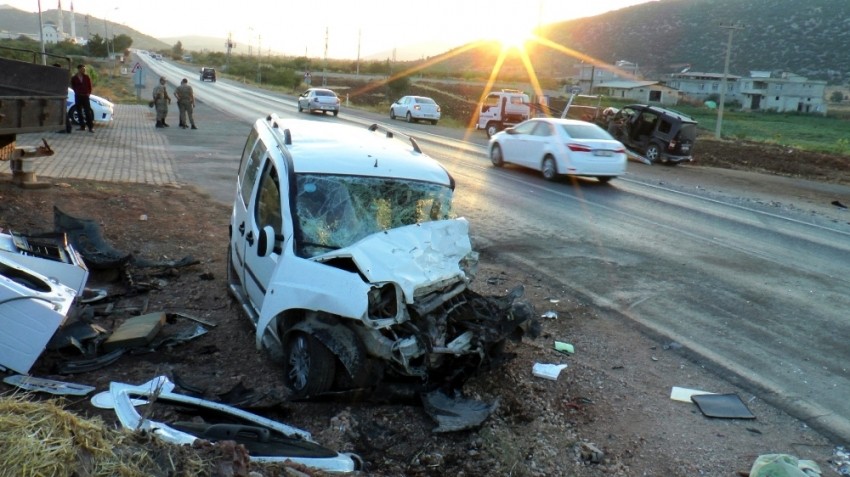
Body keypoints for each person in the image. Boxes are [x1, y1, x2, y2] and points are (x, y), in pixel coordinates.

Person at [70, 64, 94, 133]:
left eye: (84, 69)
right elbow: (73, 86)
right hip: (78, 96)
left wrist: (88, 93)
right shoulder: (74, 78)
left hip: (85, 96)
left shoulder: (86, 77)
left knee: (87, 112)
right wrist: (76, 91)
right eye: (82, 69)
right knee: (79, 111)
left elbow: (90, 86)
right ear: (79, 69)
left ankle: (90, 127)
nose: (84, 70)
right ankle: (82, 126)